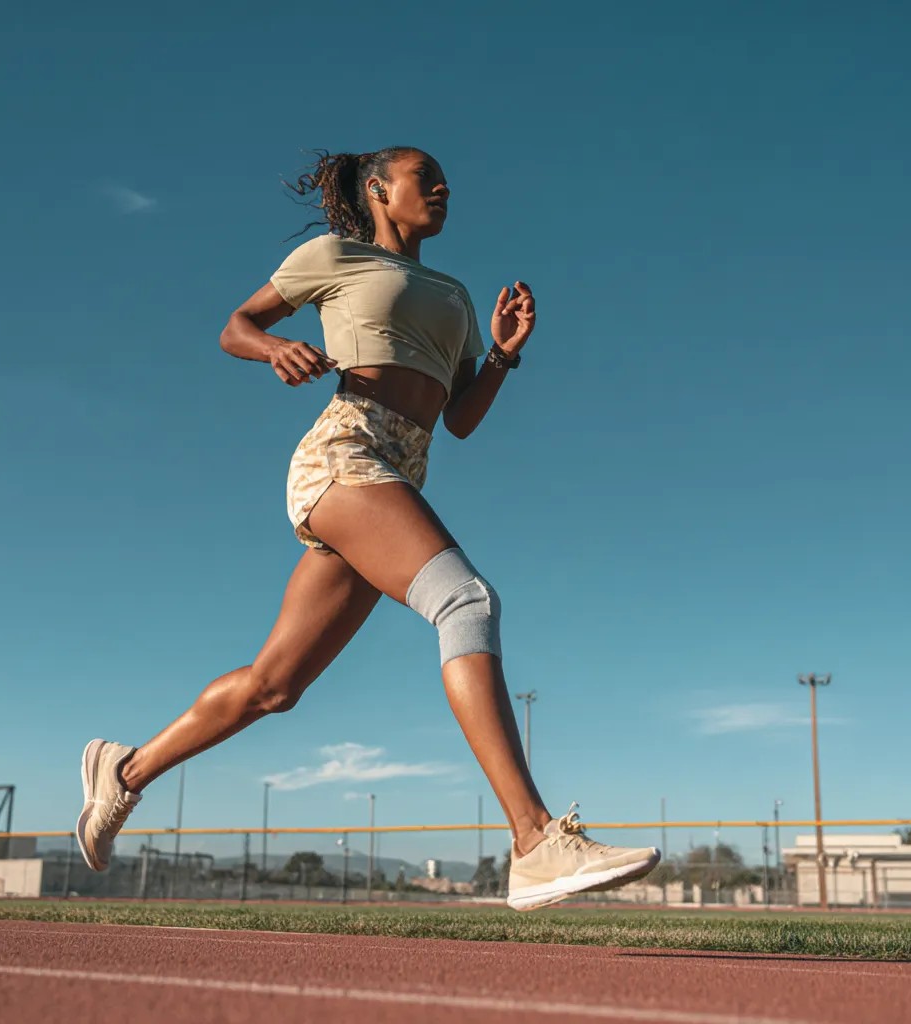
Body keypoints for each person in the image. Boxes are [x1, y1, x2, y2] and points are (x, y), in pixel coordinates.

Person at [75, 146, 660, 910]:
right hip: (344, 455)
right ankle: (533, 839)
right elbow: (236, 324)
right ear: (380, 189)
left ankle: (123, 774)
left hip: (401, 468)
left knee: (273, 687)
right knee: (466, 603)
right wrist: (274, 347)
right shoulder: (332, 257)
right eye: (428, 176)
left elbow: (459, 421)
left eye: (448, 178)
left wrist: (506, 357)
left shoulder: (452, 293)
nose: (445, 187)